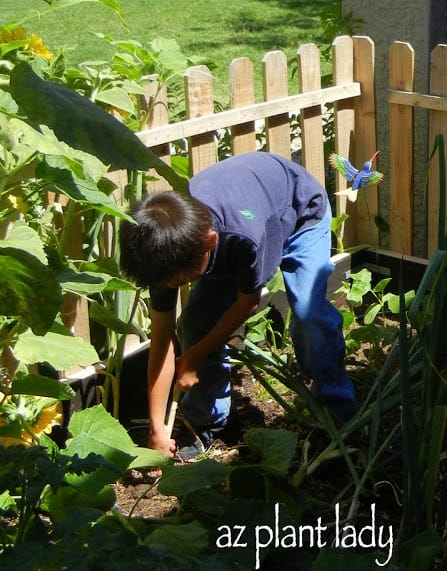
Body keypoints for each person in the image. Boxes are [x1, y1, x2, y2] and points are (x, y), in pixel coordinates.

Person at [119, 151, 356, 458]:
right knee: (194, 324)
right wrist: (156, 428)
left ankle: (337, 412)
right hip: (243, 218)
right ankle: (207, 421)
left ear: (210, 244)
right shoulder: (163, 249)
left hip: (299, 212)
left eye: (186, 280)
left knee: (309, 316)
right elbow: (162, 340)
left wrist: (195, 356)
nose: (177, 288)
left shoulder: (245, 239)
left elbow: (247, 304)